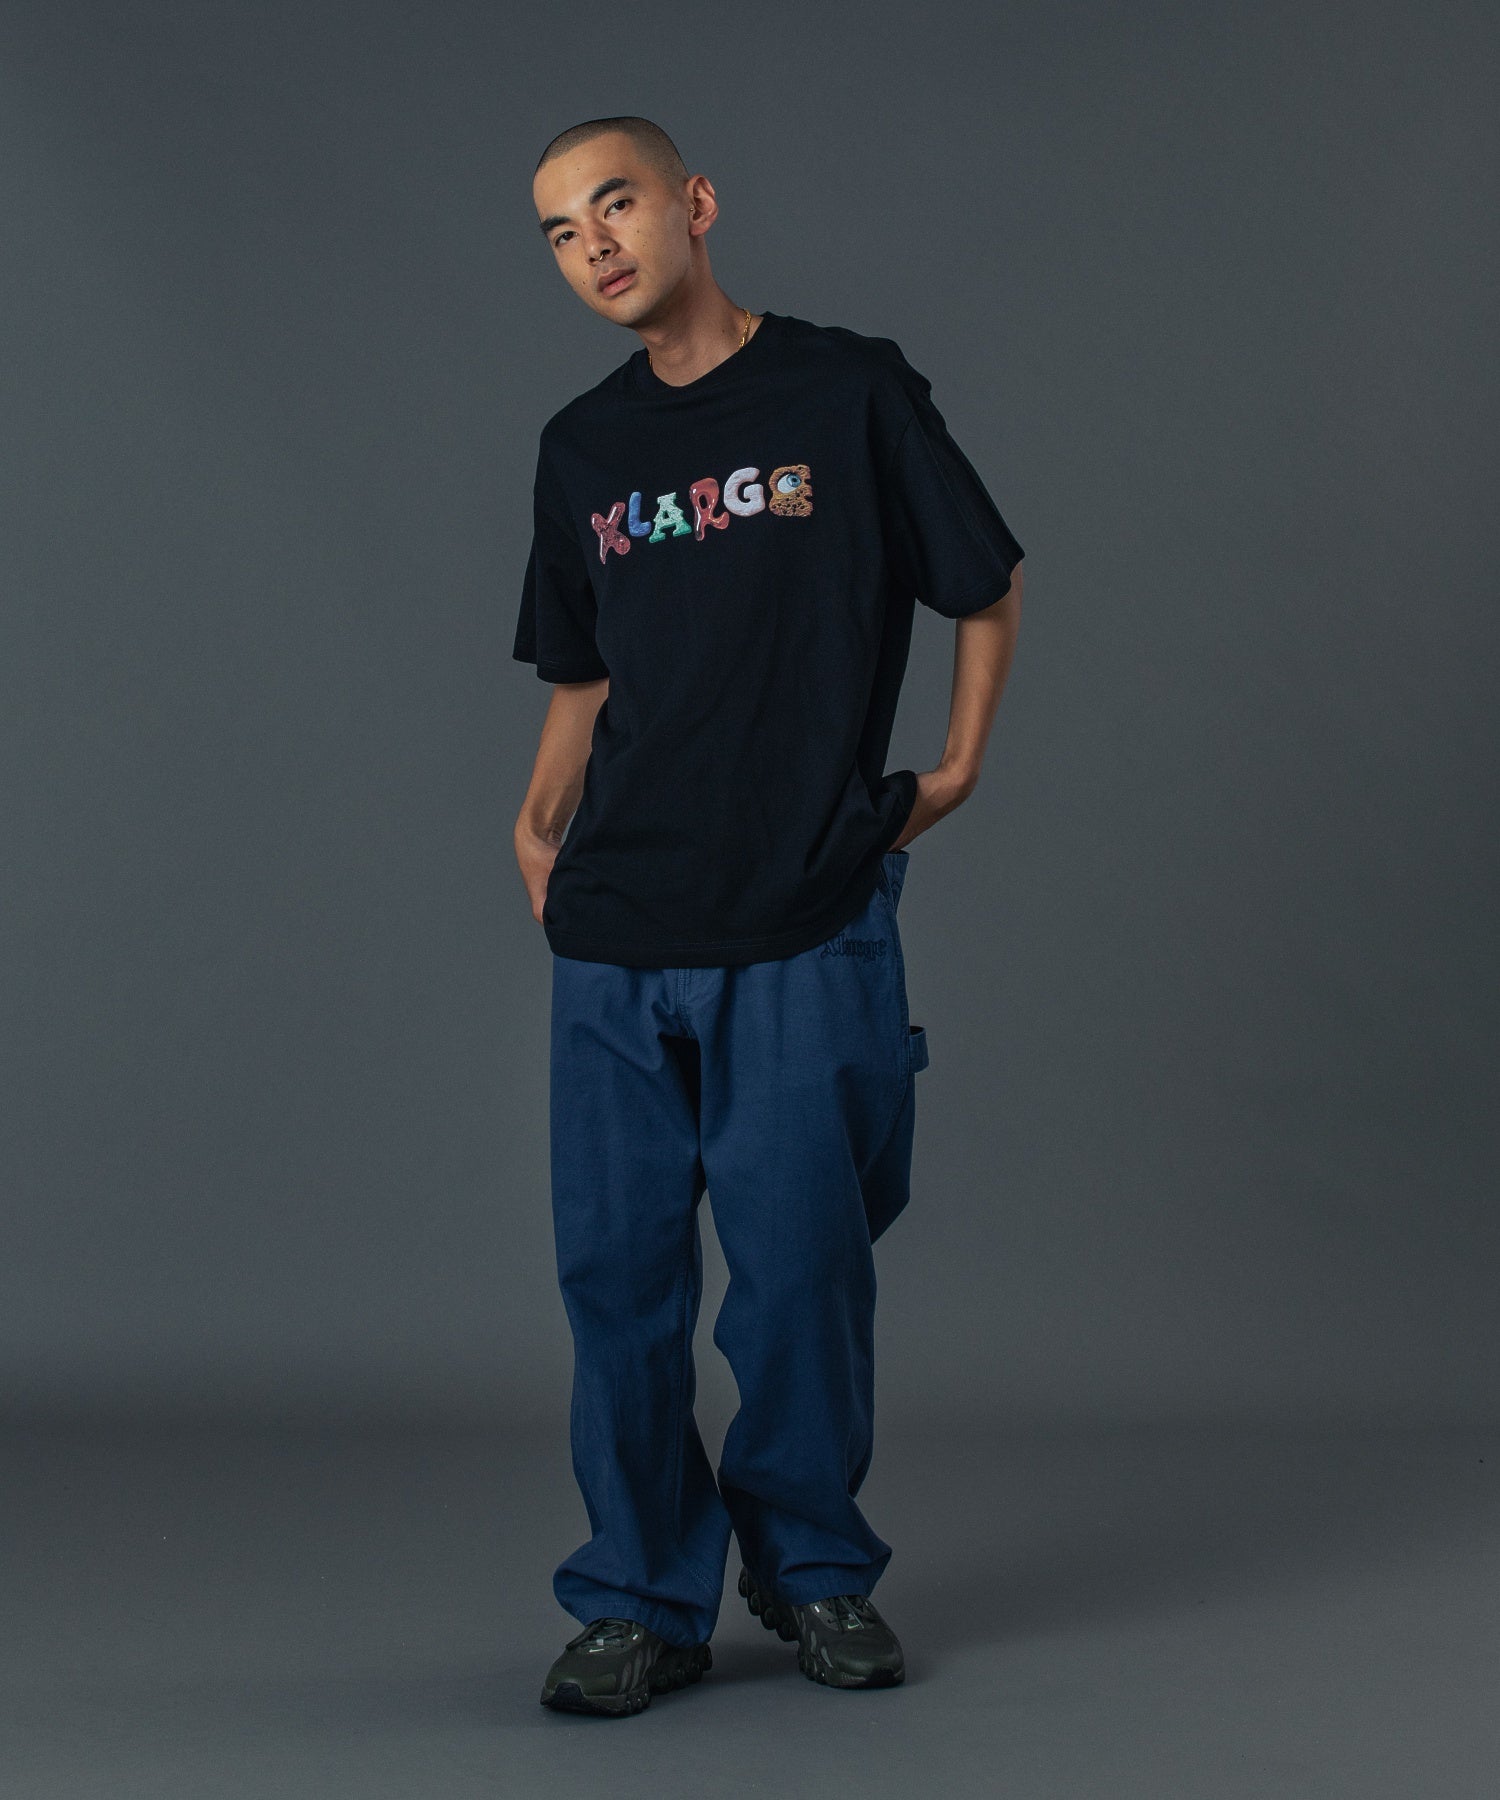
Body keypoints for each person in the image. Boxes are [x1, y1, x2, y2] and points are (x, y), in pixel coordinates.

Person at [513, 115, 1025, 1718]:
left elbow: (983, 580)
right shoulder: (581, 450)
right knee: (619, 1285)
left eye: (615, 204)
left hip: (802, 911)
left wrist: (956, 766)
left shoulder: (847, 391)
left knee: (804, 1272)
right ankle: (640, 1595)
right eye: (560, 230)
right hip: (618, 926)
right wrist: (536, 817)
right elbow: (584, 670)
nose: (594, 245)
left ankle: (811, 1568)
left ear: (696, 203)